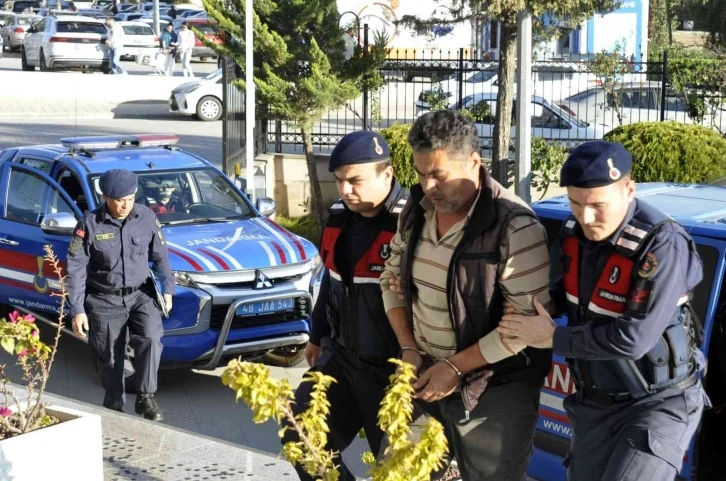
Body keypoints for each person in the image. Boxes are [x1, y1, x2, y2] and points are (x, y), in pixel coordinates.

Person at [498, 140, 708, 481]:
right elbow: (569, 292)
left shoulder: (661, 243)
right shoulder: (572, 232)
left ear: (628, 189)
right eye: (575, 203)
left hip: (655, 404)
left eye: (597, 205)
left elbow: (633, 338)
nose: (586, 216)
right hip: (594, 405)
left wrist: (552, 337)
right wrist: (536, 306)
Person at [380, 110, 553, 480]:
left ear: (474, 161)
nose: (427, 186)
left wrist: (456, 367)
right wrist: (409, 347)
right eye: (421, 174)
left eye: (438, 175)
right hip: (425, 375)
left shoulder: (515, 225)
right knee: (397, 474)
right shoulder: (416, 211)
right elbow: (390, 281)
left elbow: (521, 330)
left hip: (494, 389)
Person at [281, 131, 409, 481]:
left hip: (394, 371)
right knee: (299, 431)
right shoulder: (338, 215)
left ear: (387, 174)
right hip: (342, 358)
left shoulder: (411, 223)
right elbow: (331, 281)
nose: (345, 190)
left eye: (355, 181)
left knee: (398, 469)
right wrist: (316, 335)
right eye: (339, 181)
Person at [66, 169, 173, 422]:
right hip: (104, 299)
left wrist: (168, 289)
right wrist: (77, 309)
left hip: (140, 294)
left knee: (151, 336)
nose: (125, 204)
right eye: (119, 199)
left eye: (130, 198)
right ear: (105, 197)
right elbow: (75, 268)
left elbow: (160, 256)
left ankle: (146, 397)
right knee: (111, 360)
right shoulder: (89, 224)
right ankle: (115, 406)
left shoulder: (146, 218)